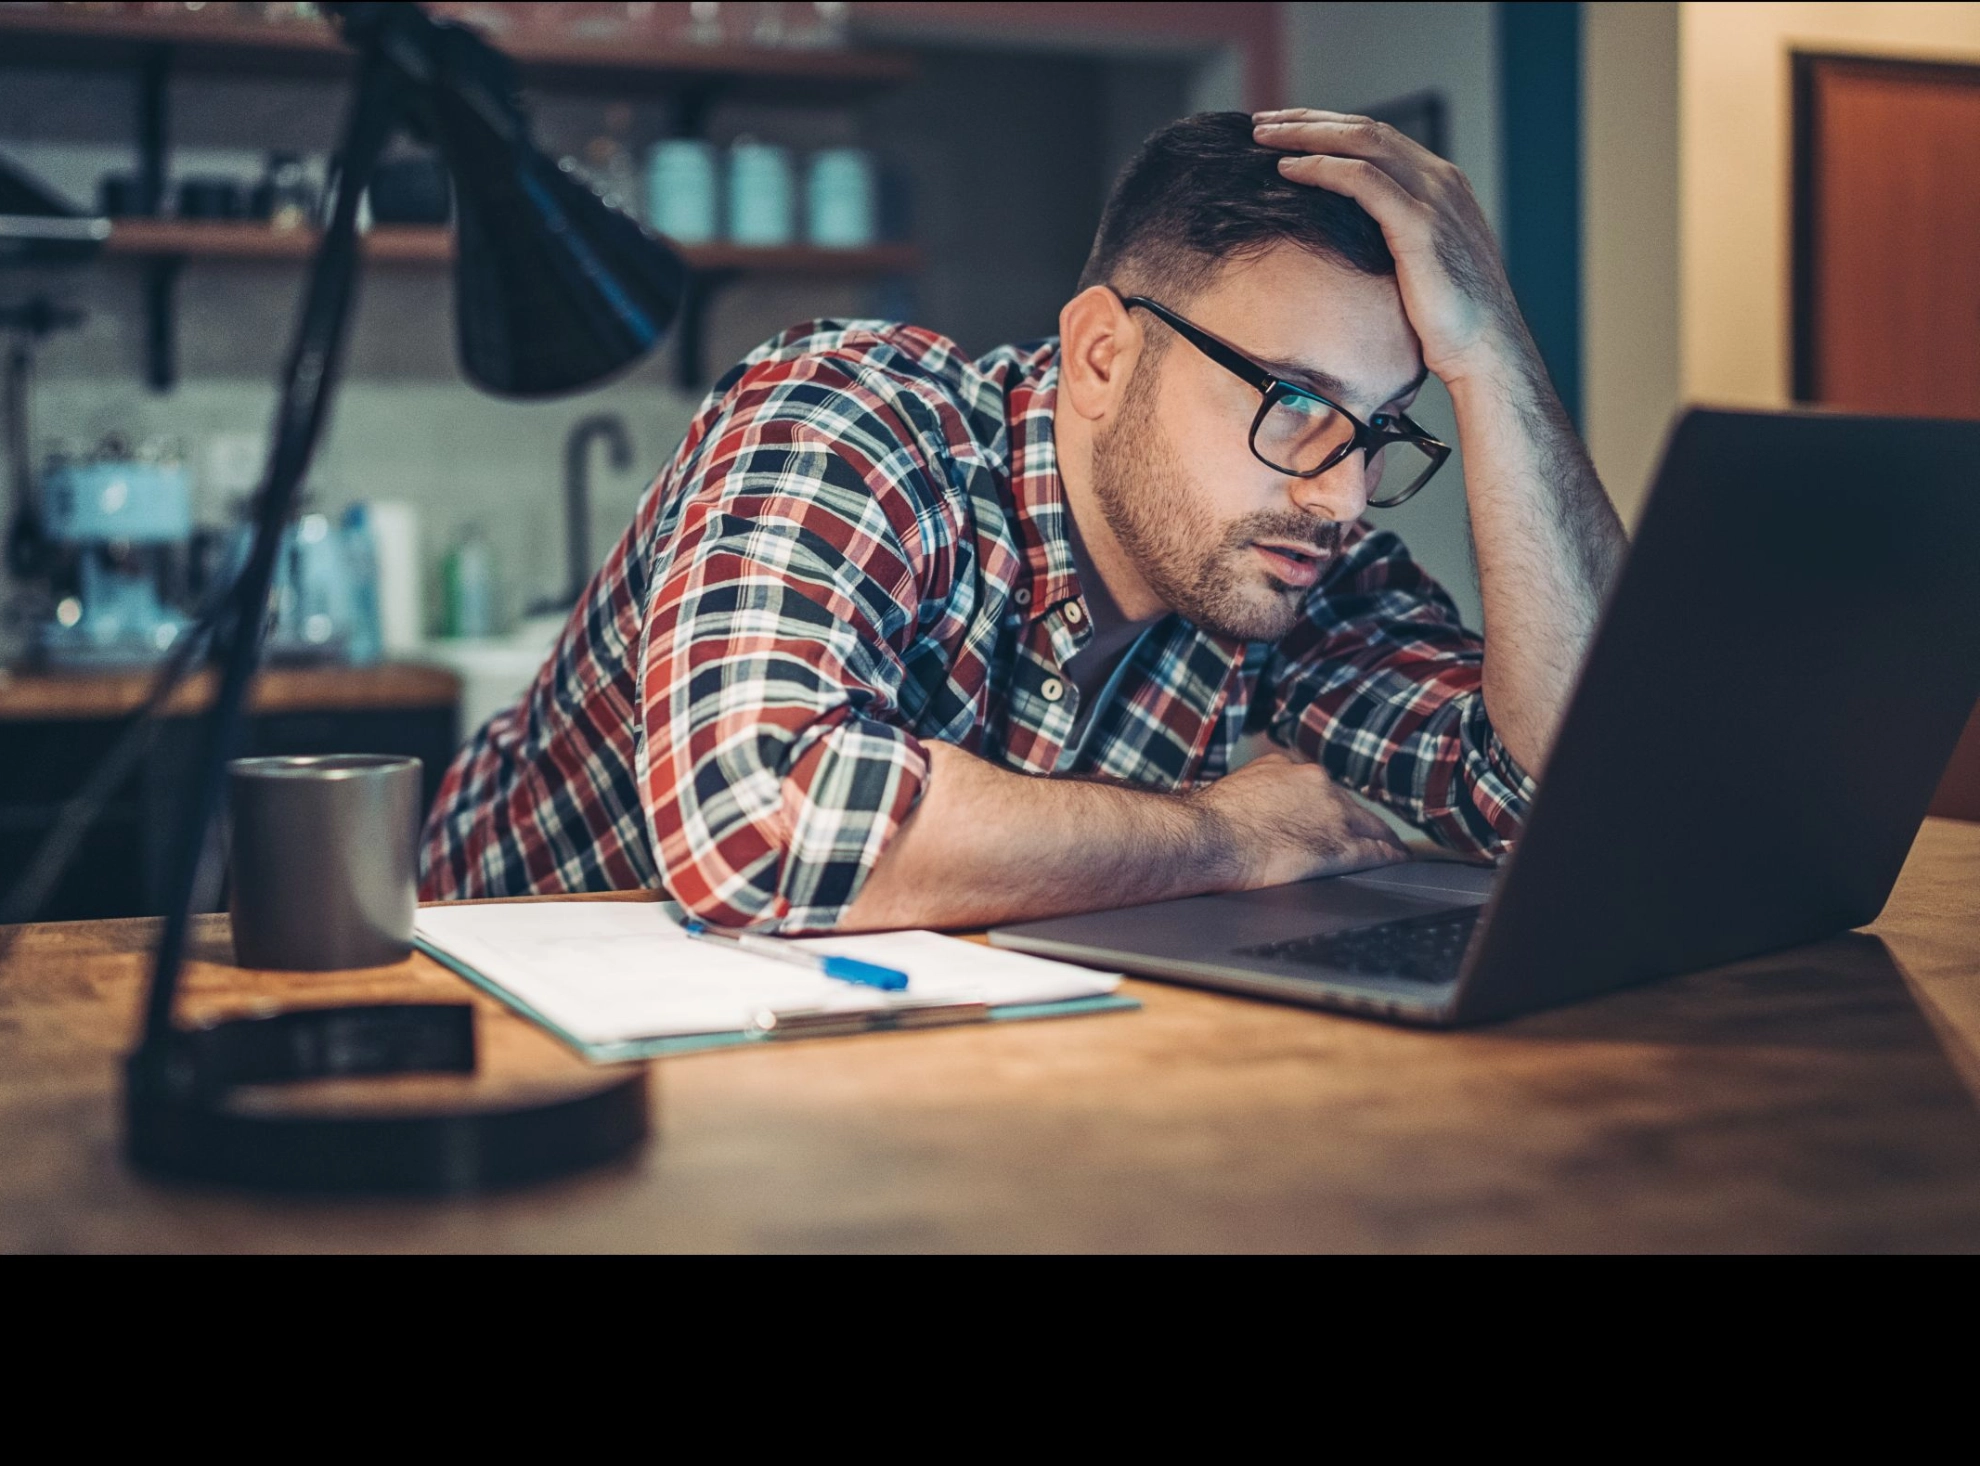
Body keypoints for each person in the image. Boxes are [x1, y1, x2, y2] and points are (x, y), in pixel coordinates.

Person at [419, 109, 1626, 933]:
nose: (1342, 494)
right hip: (482, 1026)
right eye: (1298, 403)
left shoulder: (1303, 564)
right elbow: (763, 822)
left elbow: (1568, 798)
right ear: (1101, 354)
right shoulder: (861, 415)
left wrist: (1499, 362)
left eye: (1381, 430)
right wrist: (1222, 836)